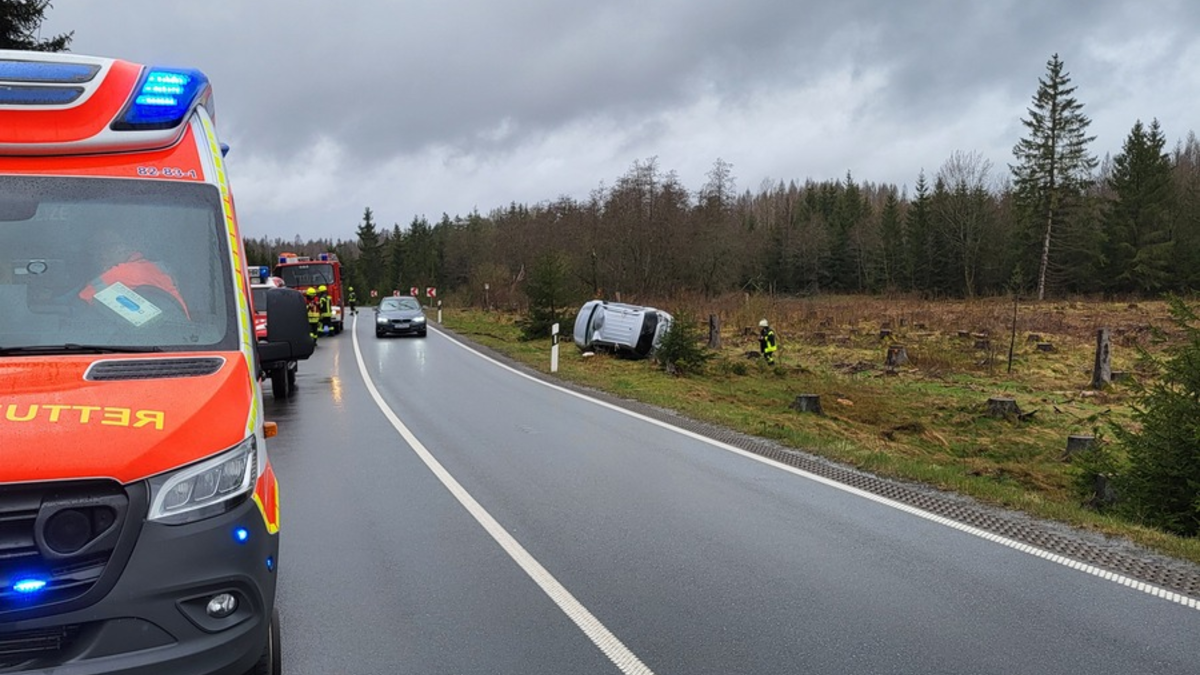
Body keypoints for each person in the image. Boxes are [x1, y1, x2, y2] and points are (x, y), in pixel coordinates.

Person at [79, 230, 190, 321]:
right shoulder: (153, 267)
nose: (100, 255)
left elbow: (84, 297)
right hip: (177, 334)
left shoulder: (126, 272)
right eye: (96, 249)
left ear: (125, 247)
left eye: (105, 247)